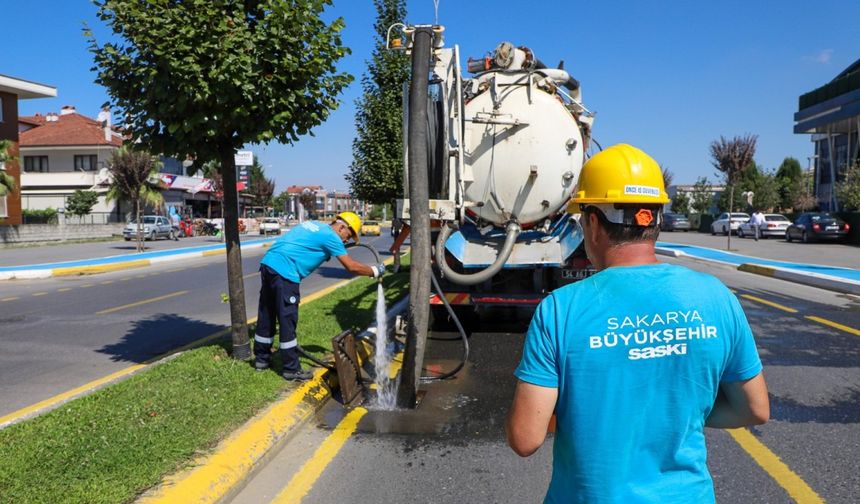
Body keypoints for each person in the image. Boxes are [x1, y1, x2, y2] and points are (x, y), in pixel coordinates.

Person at [506, 144, 769, 503]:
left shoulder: (559, 310)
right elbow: (753, 409)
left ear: (594, 223)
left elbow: (525, 438)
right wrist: (676, 414)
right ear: (655, 219)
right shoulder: (716, 297)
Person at [254, 211, 386, 381]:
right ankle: (290, 369)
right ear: (341, 227)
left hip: (269, 264)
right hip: (286, 271)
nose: (347, 240)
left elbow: (309, 245)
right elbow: (351, 267)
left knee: (267, 313)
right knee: (287, 319)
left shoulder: (316, 225)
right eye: (349, 235)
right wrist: (374, 271)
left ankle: (261, 359)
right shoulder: (332, 237)